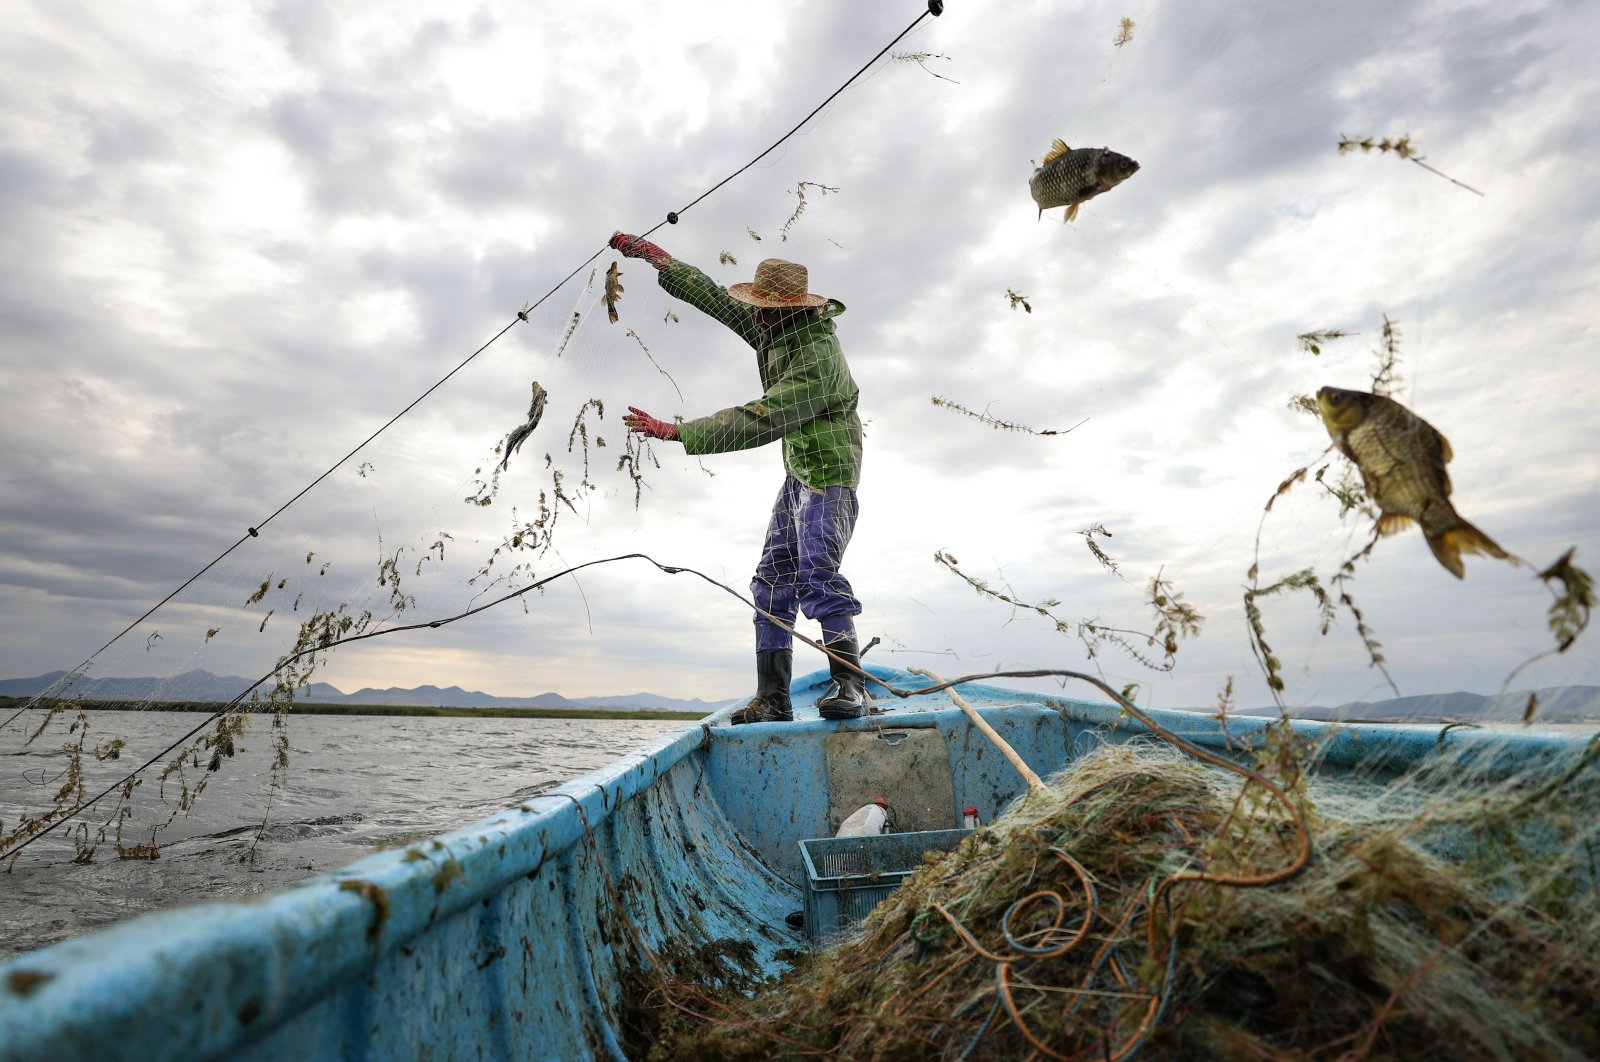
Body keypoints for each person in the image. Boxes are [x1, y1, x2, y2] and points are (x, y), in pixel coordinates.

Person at [609, 232, 867, 723]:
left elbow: (763, 417)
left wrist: (677, 431)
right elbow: (713, 299)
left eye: (766, 309)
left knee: (816, 569)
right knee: (771, 580)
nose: (758, 316)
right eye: (758, 308)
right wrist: (660, 260)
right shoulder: (775, 329)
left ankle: (850, 685)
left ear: (792, 309)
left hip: (830, 473)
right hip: (799, 473)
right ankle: (773, 699)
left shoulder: (817, 357)